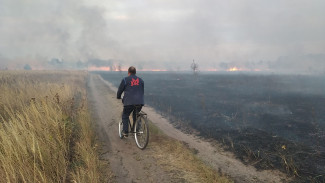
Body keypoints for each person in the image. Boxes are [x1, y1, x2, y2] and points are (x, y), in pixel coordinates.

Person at [117, 66, 144, 137]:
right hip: (140, 101)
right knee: (136, 115)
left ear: (128, 73)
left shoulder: (125, 80)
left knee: (125, 115)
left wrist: (118, 97)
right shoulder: (141, 80)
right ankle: (137, 130)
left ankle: (125, 132)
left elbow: (120, 90)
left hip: (129, 102)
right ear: (135, 73)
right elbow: (142, 91)